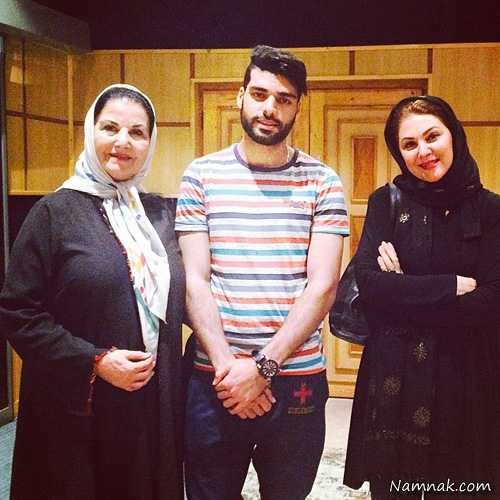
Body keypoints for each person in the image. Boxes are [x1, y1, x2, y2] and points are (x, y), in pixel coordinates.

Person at [175, 45, 348, 500]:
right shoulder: (200, 176)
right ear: (241, 96)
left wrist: (264, 367)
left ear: (298, 106)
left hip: (296, 379)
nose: (270, 108)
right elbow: (194, 280)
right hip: (216, 377)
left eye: (284, 99)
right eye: (259, 94)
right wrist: (230, 369)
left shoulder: (323, 181)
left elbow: (323, 285)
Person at [0, 84, 185, 500]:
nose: (123, 142)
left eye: (137, 132)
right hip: (81, 405)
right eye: (110, 128)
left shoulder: (157, 215)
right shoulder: (53, 213)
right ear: (91, 131)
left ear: (150, 143)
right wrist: (95, 361)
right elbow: (17, 312)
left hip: (152, 402)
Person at [343, 95, 500, 499]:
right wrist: (450, 286)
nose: (423, 151)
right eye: (409, 144)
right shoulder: (386, 203)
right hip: (396, 379)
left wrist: (404, 291)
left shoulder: (491, 210)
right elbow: (370, 284)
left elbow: (492, 302)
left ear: (454, 135)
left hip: (468, 375)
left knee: (465, 487)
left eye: (432, 136)